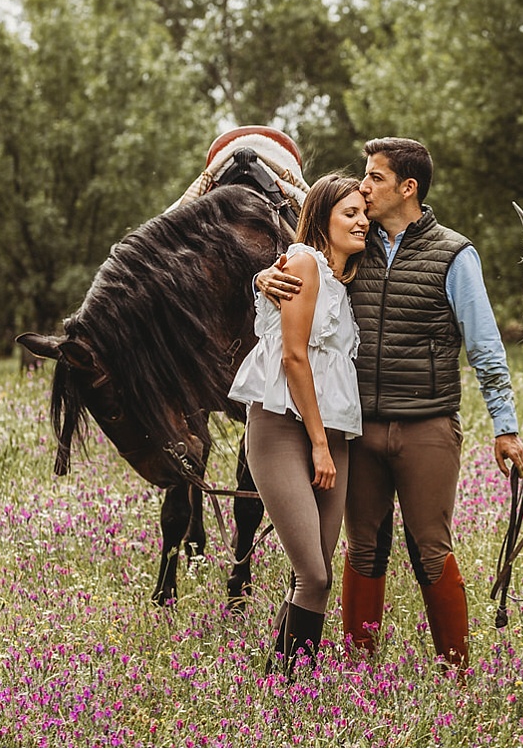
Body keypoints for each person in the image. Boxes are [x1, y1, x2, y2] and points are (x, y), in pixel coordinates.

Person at [259, 137, 523, 670]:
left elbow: (485, 347)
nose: (364, 187)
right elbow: (305, 273)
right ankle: (362, 673)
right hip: (358, 430)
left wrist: (506, 427)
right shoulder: (352, 251)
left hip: (427, 425)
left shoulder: (454, 254)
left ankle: (456, 673)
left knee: (430, 548)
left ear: (407, 188)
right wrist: (264, 276)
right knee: (363, 549)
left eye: (375, 178)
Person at [229, 174, 368, 675]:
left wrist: (330, 443)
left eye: (364, 213)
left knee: (316, 572)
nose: (362, 222)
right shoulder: (304, 262)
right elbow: (293, 357)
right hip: (285, 430)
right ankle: (291, 687)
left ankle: (280, 682)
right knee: (314, 573)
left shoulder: (343, 278)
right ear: (322, 217)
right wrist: (319, 446)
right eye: (349, 213)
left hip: (331, 433)